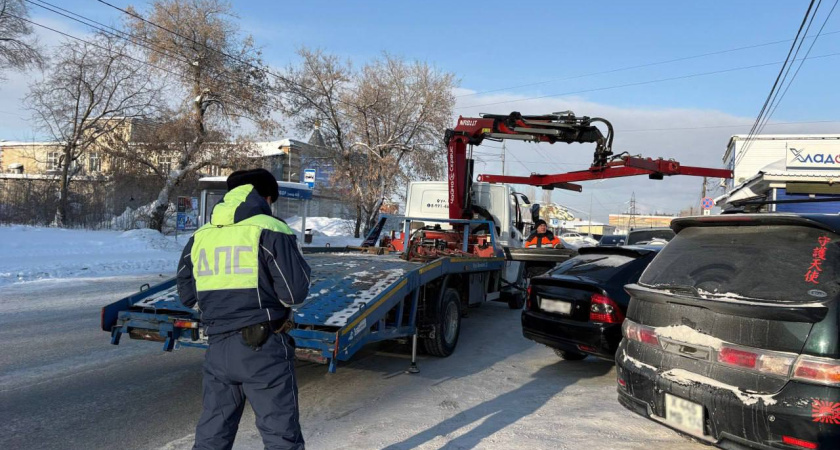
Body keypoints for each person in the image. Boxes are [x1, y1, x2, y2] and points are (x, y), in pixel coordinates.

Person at [177, 168, 311, 450]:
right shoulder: (271, 229)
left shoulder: (201, 235)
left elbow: (188, 296)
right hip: (263, 346)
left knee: (213, 431)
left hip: (217, 345)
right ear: (266, 197)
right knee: (280, 435)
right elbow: (294, 292)